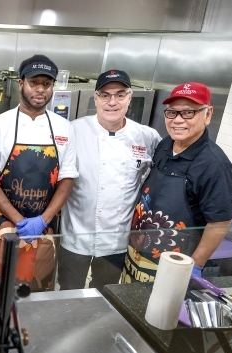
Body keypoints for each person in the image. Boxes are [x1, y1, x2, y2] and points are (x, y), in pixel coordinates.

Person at [0, 54, 78, 295]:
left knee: (39, 290)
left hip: (46, 227)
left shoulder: (64, 127)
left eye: (47, 84)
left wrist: (43, 220)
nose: (41, 89)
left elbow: (67, 179)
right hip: (3, 226)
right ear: (21, 83)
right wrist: (19, 221)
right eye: (35, 83)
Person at [121, 82, 232, 282]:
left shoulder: (214, 165)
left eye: (189, 113)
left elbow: (219, 222)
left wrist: (196, 265)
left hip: (175, 264)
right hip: (137, 256)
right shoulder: (166, 144)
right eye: (172, 113)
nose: (178, 120)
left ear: (208, 115)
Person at [58, 70, 160, 290]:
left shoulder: (147, 136)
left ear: (129, 98)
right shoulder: (74, 130)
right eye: (105, 95)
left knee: (107, 293)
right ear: (95, 99)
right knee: (68, 292)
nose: (112, 102)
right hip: (76, 234)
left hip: (118, 239)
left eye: (120, 94)